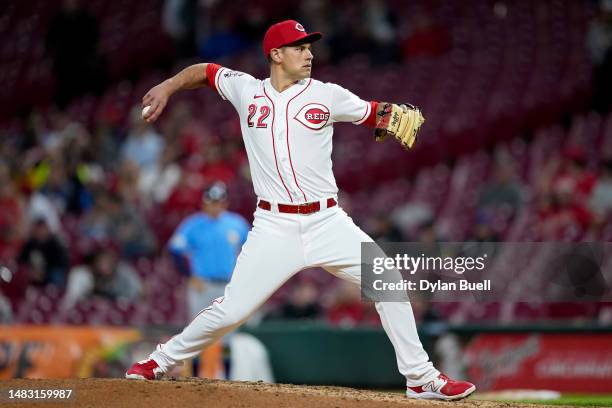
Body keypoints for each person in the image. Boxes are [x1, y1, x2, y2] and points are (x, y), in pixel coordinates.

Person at [126, 20, 475, 400]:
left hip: (327, 220)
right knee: (230, 311)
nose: (309, 54)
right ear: (276, 54)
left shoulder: (327, 95)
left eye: (309, 47)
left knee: (387, 281)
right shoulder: (246, 90)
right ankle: (157, 362)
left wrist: (392, 116)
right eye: (299, 47)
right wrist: (167, 86)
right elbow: (205, 72)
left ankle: (420, 377)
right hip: (274, 225)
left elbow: (374, 112)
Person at [168, 182, 249, 319]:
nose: (215, 206)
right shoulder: (193, 225)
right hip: (203, 285)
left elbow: (251, 251)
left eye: (218, 202)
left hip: (229, 286)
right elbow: (175, 250)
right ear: (204, 203)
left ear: (225, 203)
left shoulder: (237, 224)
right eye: (211, 202)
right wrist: (189, 276)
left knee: (227, 331)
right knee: (199, 332)